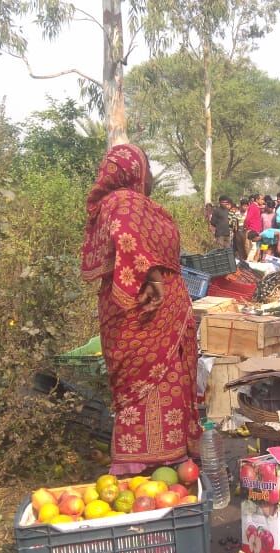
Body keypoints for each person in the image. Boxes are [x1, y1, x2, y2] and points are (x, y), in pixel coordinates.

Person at [80, 144, 200, 474]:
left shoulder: (113, 206)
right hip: (145, 312)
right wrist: (154, 276)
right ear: (134, 172)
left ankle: (150, 459)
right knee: (154, 381)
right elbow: (130, 240)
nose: (151, 179)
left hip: (135, 311)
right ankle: (159, 460)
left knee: (156, 385)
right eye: (146, 168)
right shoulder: (123, 202)